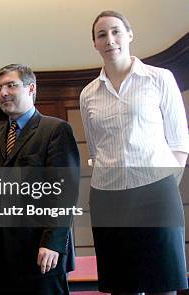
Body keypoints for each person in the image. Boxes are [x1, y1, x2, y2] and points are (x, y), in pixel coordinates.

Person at [80, 10, 189, 295]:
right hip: (108, 197)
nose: (110, 39)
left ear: (129, 34)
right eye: (101, 34)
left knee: (162, 284)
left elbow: (179, 143)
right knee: (121, 286)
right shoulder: (88, 94)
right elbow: (95, 149)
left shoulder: (160, 78)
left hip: (157, 193)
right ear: (95, 43)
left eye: (116, 31)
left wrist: (163, 184)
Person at [0, 64, 79, 294]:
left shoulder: (55, 130)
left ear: (31, 88)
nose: (3, 93)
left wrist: (52, 242)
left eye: (11, 85)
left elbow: (64, 193)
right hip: (0, 254)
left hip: (40, 252)